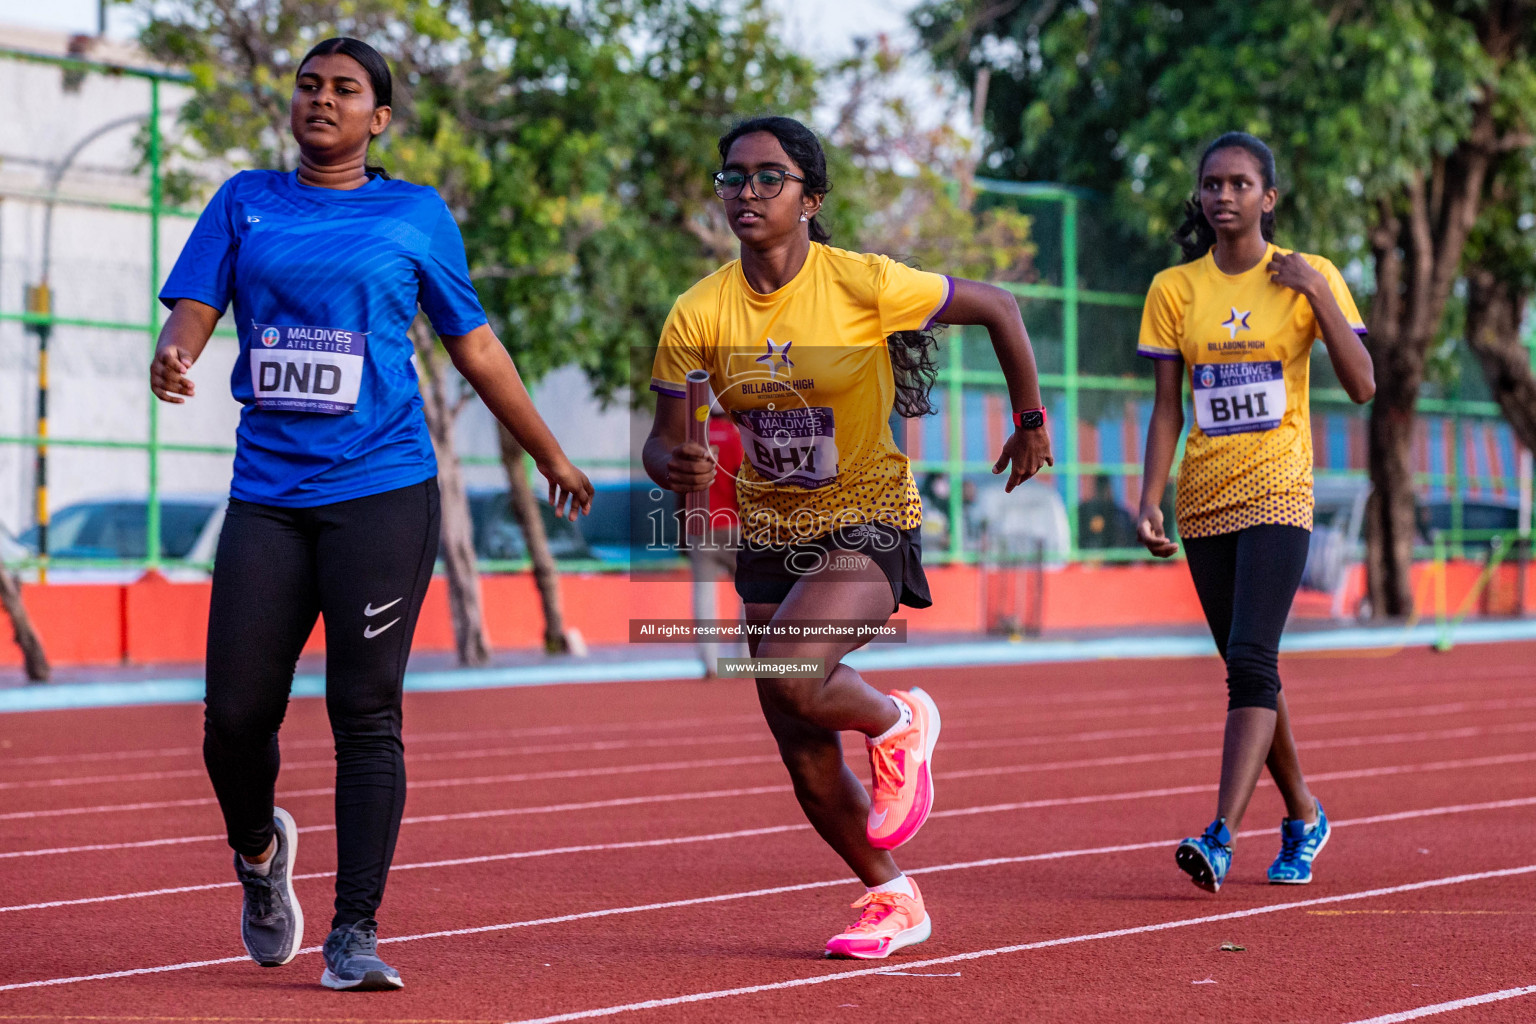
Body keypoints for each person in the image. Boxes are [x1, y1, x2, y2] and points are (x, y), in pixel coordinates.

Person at [149, 37, 592, 989]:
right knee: (234, 718)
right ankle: (260, 858)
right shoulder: (244, 200)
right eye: (309, 84)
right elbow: (193, 307)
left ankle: (355, 931)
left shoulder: (415, 215)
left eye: (345, 89)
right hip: (268, 497)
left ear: (377, 119)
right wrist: (173, 352)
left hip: (382, 491)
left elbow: (474, 347)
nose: (321, 99)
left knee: (365, 712)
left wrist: (546, 450)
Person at [644, 115, 1052, 958]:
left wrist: (1031, 420)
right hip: (769, 529)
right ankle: (892, 896)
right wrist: (673, 467)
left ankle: (901, 720)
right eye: (733, 178)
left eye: (768, 178)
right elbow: (663, 438)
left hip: (867, 513)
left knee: (794, 672)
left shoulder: (863, 283)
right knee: (801, 745)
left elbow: (1000, 307)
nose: (746, 192)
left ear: (810, 198)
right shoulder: (699, 312)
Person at [1134, 132, 1375, 893]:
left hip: (1279, 491)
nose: (1224, 196)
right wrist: (1150, 496)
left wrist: (1317, 295)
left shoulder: (1311, 275)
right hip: (1205, 498)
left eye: (1240, 184)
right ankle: (1304, 813)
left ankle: (1221, 835)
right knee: (1252, 671)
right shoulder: (1175, 288)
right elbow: (1167, 408)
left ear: (1268, 197)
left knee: (1249, 665)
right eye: (1212, 184)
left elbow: (1364, 384)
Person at [689, 404, 746, 675]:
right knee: (751, 593)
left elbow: (682, 487)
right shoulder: (736, 437)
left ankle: (710, 663)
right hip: (735, 525)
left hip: (701, 525)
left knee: (703, 595)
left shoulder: (694, 439)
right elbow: (743, 482)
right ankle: (745, 658)